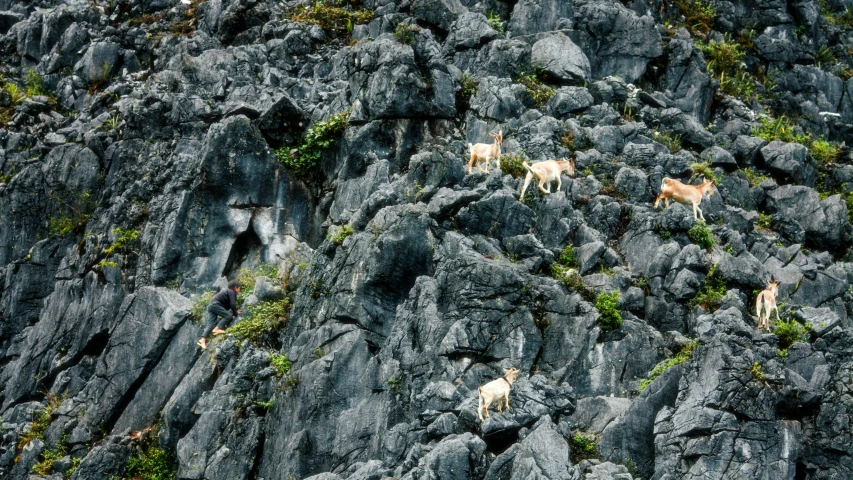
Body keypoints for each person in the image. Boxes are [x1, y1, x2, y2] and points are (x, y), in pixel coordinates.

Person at [197, 280, 243, 350]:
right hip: (215, 305)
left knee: (211, 324)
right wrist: (235, 313)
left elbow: (229, 305)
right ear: (236, 287)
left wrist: (234, 311)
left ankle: (202, 340)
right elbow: (232, 304)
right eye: (239, 288)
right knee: (228, 316)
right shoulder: (231, 292)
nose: (240, 290)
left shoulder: (228, 292)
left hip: (211, 306)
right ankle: (216, 329)